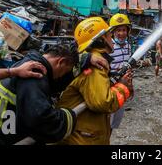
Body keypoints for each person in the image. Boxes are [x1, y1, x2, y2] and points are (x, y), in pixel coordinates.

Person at [0, 44, 81, 145]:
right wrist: (68, 117)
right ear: (60, 61)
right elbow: (41, 118)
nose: (60, 77)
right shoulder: (35, 75)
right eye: (64, 72)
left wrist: (85, 59)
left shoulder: (30, 62)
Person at [57, 17, 133, 145]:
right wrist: (123, 87)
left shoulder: (91, 58)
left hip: (87, 131)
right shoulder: (95, 65)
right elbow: (103, 103)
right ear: (101, 39)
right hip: (85, 138)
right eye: (109, 35)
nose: (112, 40)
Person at [107, 13, 133, 131]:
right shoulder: (109, 46)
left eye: (124, 30)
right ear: (112, 32)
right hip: (110, 87)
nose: (121, 33)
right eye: (118, 30)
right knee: (106, 120)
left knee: (115, 121)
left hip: (123, 88)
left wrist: (130, 85)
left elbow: (128, 67)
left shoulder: (128, 45)